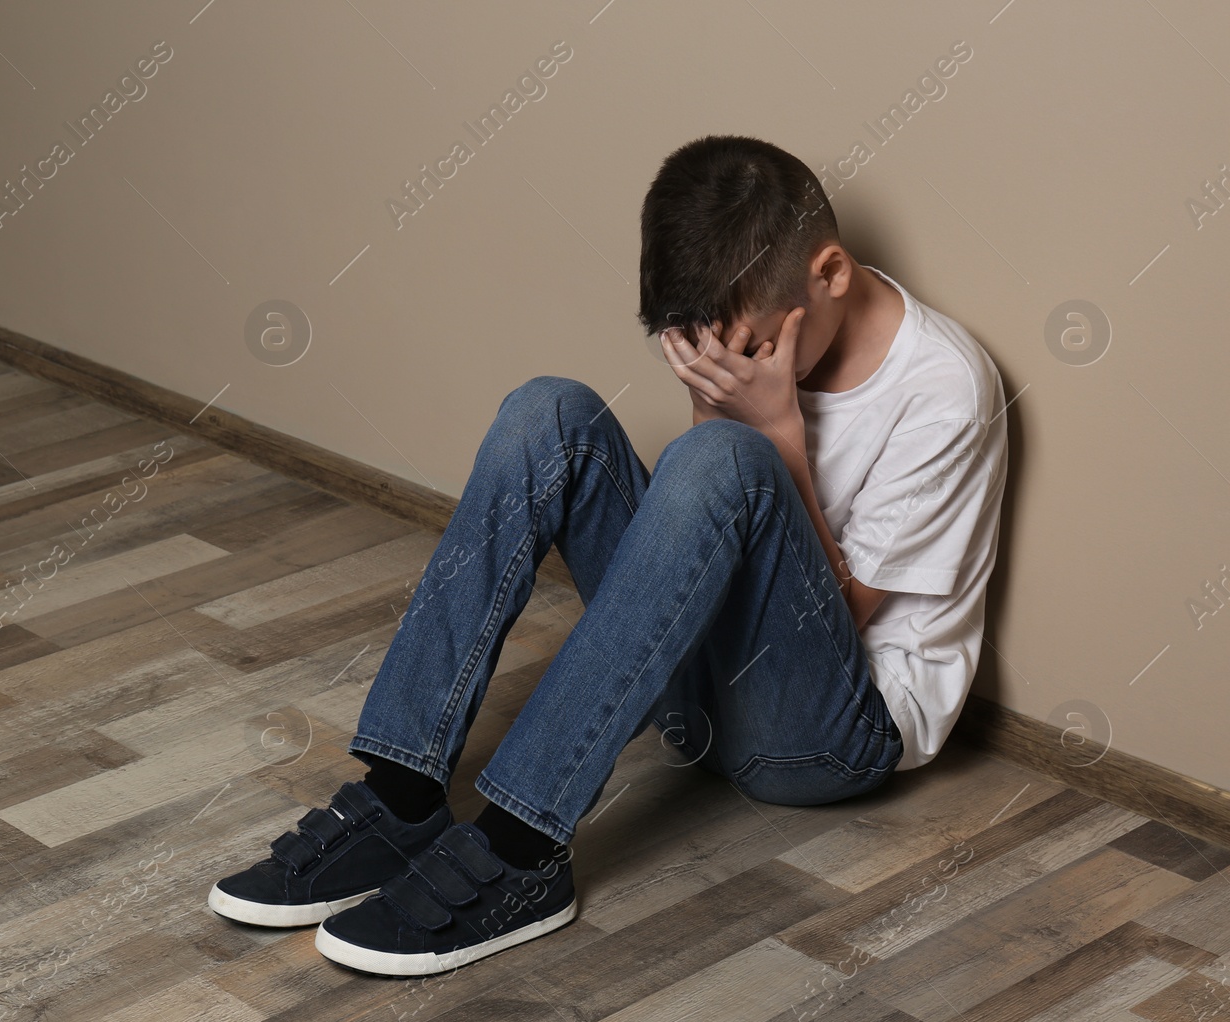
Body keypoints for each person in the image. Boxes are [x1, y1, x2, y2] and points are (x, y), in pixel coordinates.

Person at [207, 134, 1009, 978]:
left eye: (746, 348)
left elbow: (839, 613)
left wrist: (774, 433)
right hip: (703, 700)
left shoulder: (945, 387)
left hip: (832, 737)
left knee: (723, 461)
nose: (733, 370)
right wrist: (726, 413)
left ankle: (521, 850)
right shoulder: (757, 344)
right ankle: (401, 795)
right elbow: (711, 542)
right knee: (545, 412)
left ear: (832, 275)